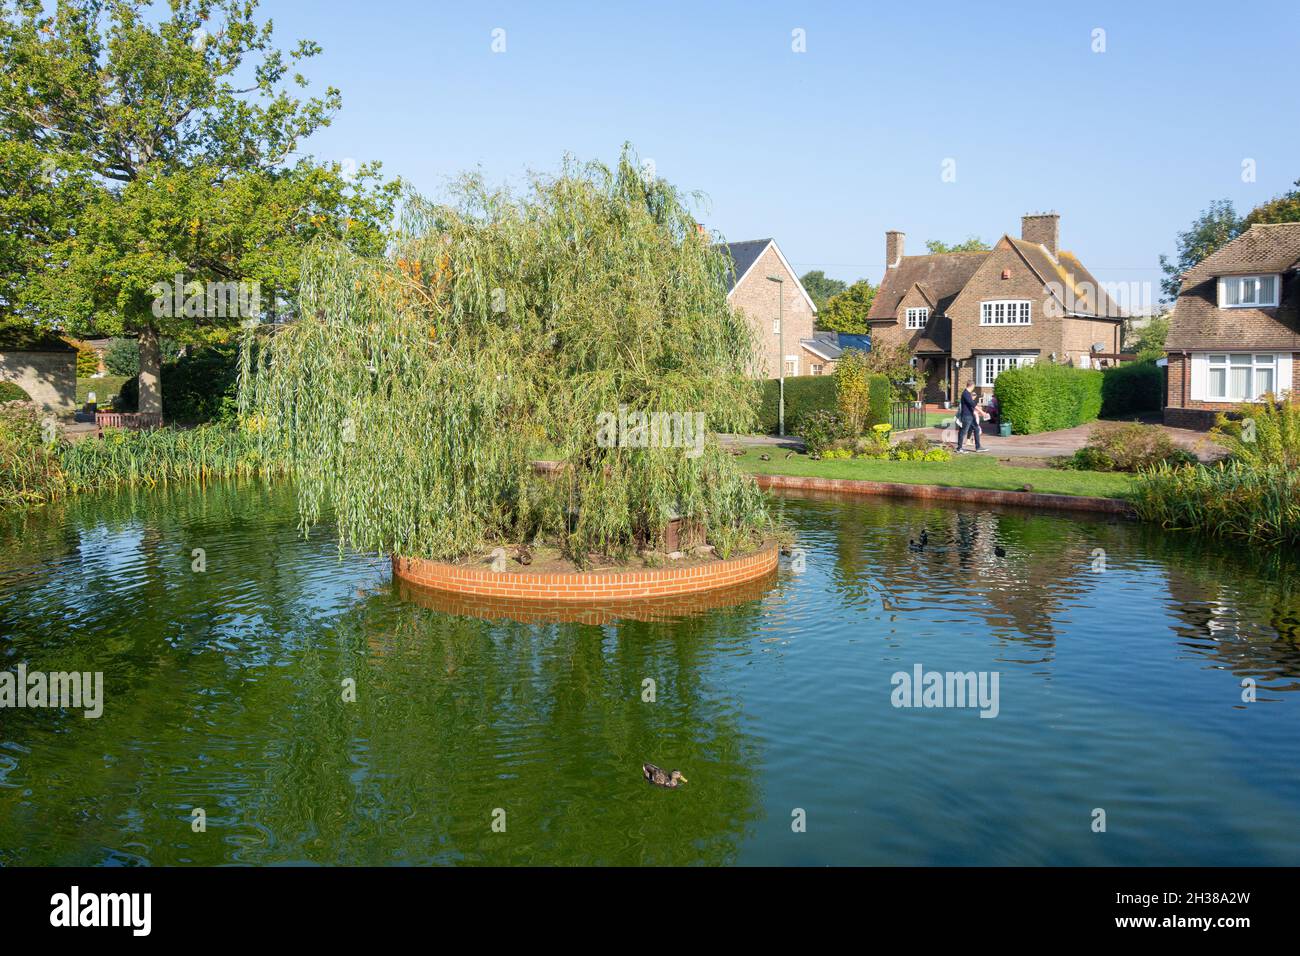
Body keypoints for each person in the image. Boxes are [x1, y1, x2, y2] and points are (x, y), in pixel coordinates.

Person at [957, 382, 982, 453]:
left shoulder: (967, 394)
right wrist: (982, 412)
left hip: (971, 415)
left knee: (976, 429)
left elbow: (971, 404)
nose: (973, 388)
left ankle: (978, 447)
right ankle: (959, 448)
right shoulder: (965, 393)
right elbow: (972, 404)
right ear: (972, 386)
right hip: (966, 416)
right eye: (973, 387)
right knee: (963, 431)